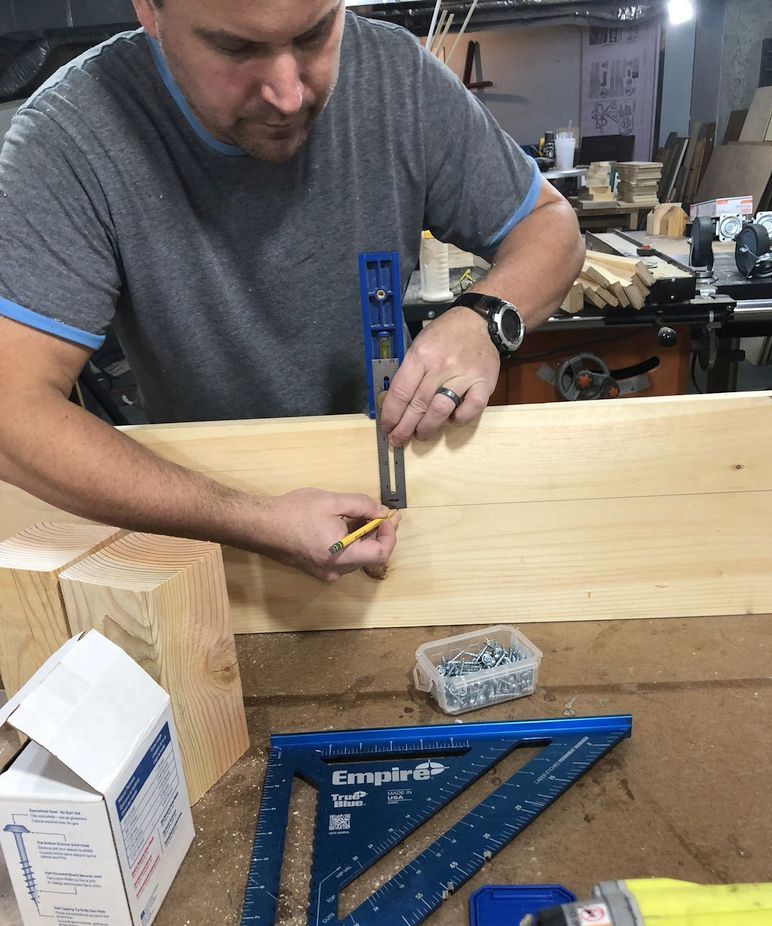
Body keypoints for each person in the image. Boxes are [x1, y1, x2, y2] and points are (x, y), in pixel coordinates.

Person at [0, 0, 583, 581]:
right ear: (150, 11)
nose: (288, 93)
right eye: (236, 48)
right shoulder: (71, 136)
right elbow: (11, 412)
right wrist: (248, 519)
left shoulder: (397, 79)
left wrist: (486, 317)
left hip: (396, 494)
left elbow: (551, 227)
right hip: (201, 520)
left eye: (314, 34)